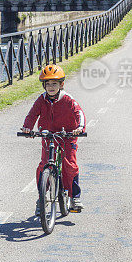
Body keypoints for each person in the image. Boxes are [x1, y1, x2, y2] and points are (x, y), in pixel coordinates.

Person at [19, 64, 86, 212]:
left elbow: (79, 113)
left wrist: (79, 128)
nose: (50, 87)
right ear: (43, 85)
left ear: (61, 84)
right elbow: (32, 115)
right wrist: (27, 127)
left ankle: (74, 197)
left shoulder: (68, 99)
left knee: (69, 164)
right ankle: (42, 197)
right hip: (48, 135)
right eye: (47, 84)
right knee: (44, 165)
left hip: (67, 135)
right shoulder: (41, 99)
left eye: (54, 83)